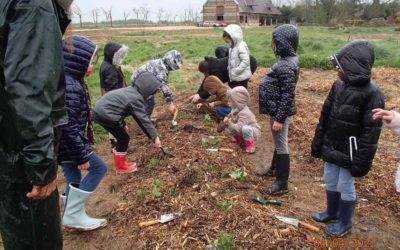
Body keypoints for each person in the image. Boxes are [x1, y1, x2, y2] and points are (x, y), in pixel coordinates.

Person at [0, 0, 72, 249]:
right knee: (36, 239)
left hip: (8, 148)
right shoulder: (33, 5)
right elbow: (29, 88)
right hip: (20, 158)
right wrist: (41, 166)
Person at [311, 40, 385, 237]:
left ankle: (345, 222)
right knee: (330, 180)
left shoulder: (373, 94)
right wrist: (319, 142)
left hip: (350, 152)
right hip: (332, 145)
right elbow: (325, 114)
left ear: (354, 68)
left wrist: (361, 161)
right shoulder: (338, 85)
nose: (337, 71)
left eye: (341, 67)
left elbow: (371, 133)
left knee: (345, 186)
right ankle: (331, 212)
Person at [60, 35, 108, 230]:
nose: (92, 65)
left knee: (72, 178)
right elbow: (67, 126)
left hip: (62, 146)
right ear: (78, 60)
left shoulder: (68, 80)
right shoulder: (70, 86)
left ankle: (68, 214)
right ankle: (73, 214)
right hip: (69, 143)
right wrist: (81, 156)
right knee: (99, 168)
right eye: (91, 60)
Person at [257, 24, 300, 196]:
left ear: (284, 43)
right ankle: (273, 170)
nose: (274, 45)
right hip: (277, 110)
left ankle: (282, 183)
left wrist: (280, 119)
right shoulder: (288, 61)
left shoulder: (286, 66)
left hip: (279, 112)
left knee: (282, 145)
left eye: (276, 42)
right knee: (278, 142)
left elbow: (287, 95)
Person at [93, 72, 162, 173]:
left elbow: (123, 109)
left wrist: (123, 124)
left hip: (102, 111)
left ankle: (121, 164)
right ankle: (120, 167)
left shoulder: (131, 91)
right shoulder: (136, 98)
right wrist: (155, 137)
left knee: (123, 136)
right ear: (147, 89)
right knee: (124, 138)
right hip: (106, 114)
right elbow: (143, 119)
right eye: (152, 92)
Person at [189, 46, 258, 104]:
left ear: (206, 70)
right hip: (246, 61)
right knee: (232, 85)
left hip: (249, 64)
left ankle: (241, 104)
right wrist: (198, 93)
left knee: (237, 87)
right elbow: (206, 80)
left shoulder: (217, 71)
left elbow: (211, 88)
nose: (204, 75)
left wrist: (201, 96)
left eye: (204, 73)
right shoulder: (212, 64)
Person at [131, 50, 182, 118]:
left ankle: (144, 117)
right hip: (140, 83)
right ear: (171, 62)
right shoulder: (162, 69)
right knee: (149, 103)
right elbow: (164, 86)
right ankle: (145, 121)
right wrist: (170, 103)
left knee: (147, 100)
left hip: (138, 80)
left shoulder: (160, 62)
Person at [99, 42, 129, 150]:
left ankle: (114, 144)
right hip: (113, 102)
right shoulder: (110, 69)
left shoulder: (107, 64)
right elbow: (113, 90)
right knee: (116, 122)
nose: (120, 57)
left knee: (112, 122)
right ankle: (119, 147)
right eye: (118, 55)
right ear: (112, 54)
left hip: (107, 100)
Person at [222, 87, 261, 154]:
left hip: (252, 132)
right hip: (241, 129)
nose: (228, 102)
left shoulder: (244, 113)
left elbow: (239, 128)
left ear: (237, 101)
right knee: (227, 127)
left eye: (230, 101)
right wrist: (227, 123)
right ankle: (240, 140)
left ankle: (250, 144)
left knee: (246, 129)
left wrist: (229, 123)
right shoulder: (235, 110)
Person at [223, 24, 252, 89]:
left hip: (241, 77)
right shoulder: (232, 47)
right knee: (234, 93)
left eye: (229, 40)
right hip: (234, 77)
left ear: (234, 37)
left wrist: (236, 71)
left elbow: (245, 61)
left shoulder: (241, 46)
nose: (228, 42)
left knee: (240, 94)